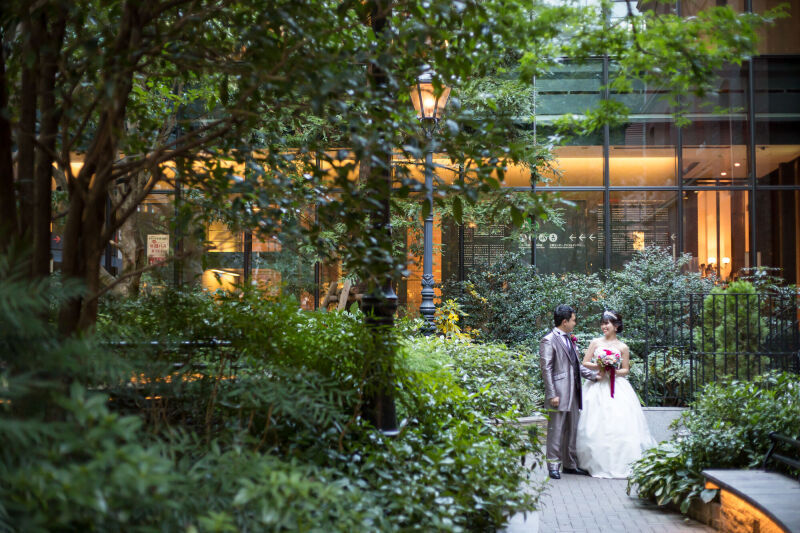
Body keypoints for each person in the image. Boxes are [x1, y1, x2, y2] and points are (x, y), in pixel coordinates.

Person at [576, 311, 656, 478]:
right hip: (597, 385)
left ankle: (622, 461)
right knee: (594, 422)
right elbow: (584, 362)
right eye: (603, 323)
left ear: (616, 326)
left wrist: (613, 370)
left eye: (608, 323)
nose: (604, 326)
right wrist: (600, 366)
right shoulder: (595, 343)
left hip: (616, 387)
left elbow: (626, 369)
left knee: (619, 421)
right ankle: (591, 460)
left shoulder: (622, 347)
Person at [539, 304, 599, 480]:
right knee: (556, 430)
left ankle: (570, 464)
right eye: (573, 320)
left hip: (574, 391)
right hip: (558, 392)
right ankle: (553, 465)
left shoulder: (569, 339)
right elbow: (546, 369)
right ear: (565, 322)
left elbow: (576, 365)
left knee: (572, 429)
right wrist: (552, 394)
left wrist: (595, 376)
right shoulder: (549, 340)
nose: (575, 323)